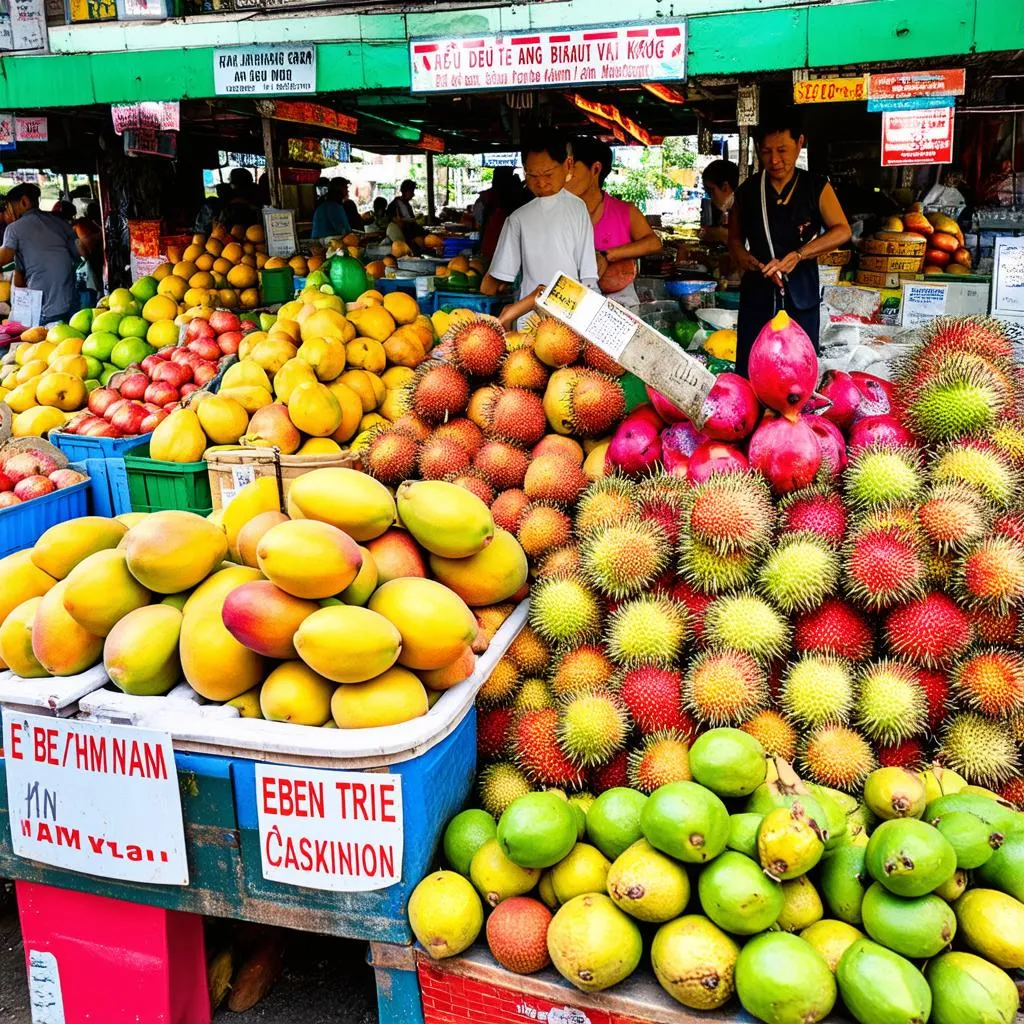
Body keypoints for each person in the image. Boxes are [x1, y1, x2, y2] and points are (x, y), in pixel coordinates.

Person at [729, 108, 851, 375]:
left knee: (797, 373)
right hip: (758, 298)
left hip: (801, 296)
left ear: (800, 143)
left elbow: (842, 230)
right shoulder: (747, 191)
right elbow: (734, 241)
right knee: (751, 372)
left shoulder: (816, 186)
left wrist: (800, 254)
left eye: (782, 150)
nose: (774, 160)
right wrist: (744, 258)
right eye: (766, 151)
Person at [482, 131, 599, 328]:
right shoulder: (518, 218)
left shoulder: (578, 208)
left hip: (572, 318)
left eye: (548, 174)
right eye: (533, 175)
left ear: (568, 165)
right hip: (530, 320)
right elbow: (498, 278)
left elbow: (588, 274)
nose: (541, 183)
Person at [568, 136, 662, 308]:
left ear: (595, 169)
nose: (564, 175)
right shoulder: (559, 213)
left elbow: (654, 243)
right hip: (571, 305)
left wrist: (607, 256)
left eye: (571, 167)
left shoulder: (624, 211)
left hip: (620, 308)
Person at [0, 183, 85, 324]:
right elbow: (79, 254)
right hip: (71, 305)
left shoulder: (14, 229)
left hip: (43, 309)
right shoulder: (60, 222)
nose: (8, 212)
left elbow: (4, 257)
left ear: (24, 201)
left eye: (9, 207)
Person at [701, 159, 739, 244]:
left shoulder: (746, 207)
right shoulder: (731, 210)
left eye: (711, 190)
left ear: (725, 187)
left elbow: (743, 240)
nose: (711, 198)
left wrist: (713, 232)